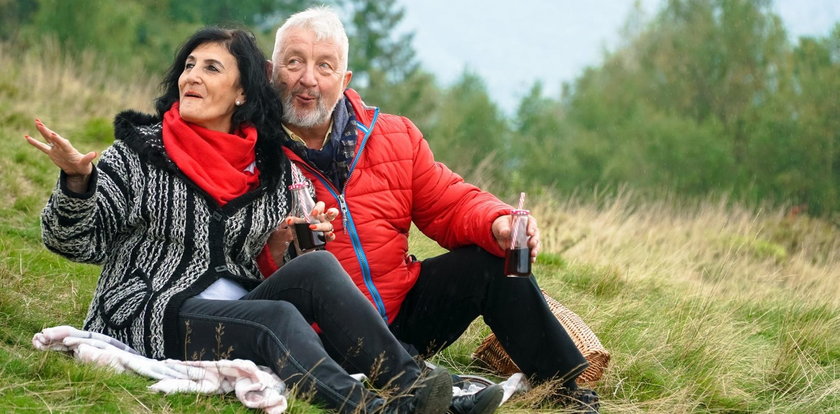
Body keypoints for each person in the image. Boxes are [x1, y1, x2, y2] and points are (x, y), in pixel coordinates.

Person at [25, 27, 457, 414]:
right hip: (148, 310)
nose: (191, 76)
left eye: (211, 68)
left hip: (229, 309)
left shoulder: (270, 170)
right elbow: (73, 244)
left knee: (318, 268)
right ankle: (377, 410)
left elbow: (275, 263)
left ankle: (418, 390)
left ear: (242, 93)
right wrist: (78, 182)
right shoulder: (140, 152)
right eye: (189, 65)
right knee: (277, 320)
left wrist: (287, 244)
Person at [265, 7, 600, 413]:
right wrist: (279, 244)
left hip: (404, 312)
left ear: (344, 80)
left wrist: (498, 222)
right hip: (320, 334)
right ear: (271, 71)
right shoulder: (252, 153)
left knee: (489, 263)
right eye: (294, 62)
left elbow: (450, 201)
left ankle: (568, 391)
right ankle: (414, 381)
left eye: (325, 66)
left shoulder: (394, 136)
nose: (308, 79)